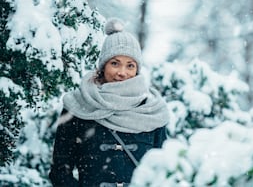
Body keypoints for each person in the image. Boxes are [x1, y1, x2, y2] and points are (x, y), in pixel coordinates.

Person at [49, 18, 169, 187]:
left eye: (130, 65)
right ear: (103, 66)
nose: (122, 72)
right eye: (115, 63)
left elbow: (163, 171)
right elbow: (60, 170)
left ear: (137, 70)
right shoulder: (78, 105)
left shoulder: (152, 110)